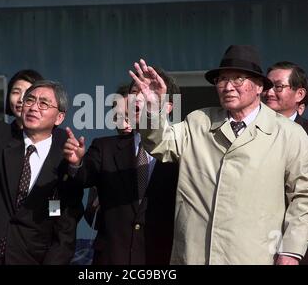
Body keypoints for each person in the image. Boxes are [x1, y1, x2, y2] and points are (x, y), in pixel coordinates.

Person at [129, 45, 308, 265]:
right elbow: (160, 144)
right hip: (194, 256)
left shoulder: (289, 134)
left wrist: (291, 250)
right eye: (222, 80)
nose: (228, 87)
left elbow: (303, 197)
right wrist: (153, 108)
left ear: (259, 86)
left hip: (256, 257)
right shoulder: (199, 122)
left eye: (238, 79)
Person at [0, 37, 83, 264]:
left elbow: (64, 229)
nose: (32, 107)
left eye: (43, 104)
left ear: (59, 117)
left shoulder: (65, 156)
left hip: (29, 256)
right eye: (29, 100)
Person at [64, 68, 180, 265]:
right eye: (135, 93)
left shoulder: (184, 149)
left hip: (161, 257)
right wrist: (76, 163)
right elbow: (84, 177)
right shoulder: (106, 147)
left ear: (168, 107)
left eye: (147, 93)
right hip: (112, 257)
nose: (138, 99)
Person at [84, 84, 132, 230]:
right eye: (118, 117)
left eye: (129, 116)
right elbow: (91, 218)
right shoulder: (103, 151)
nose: (123, 124)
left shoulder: (162, 154)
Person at [263, 61, 308, 133]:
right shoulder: (250, 125)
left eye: (278, 86)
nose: (269, 93)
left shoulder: (305, 133)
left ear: (300, 94)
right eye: (267, 85)